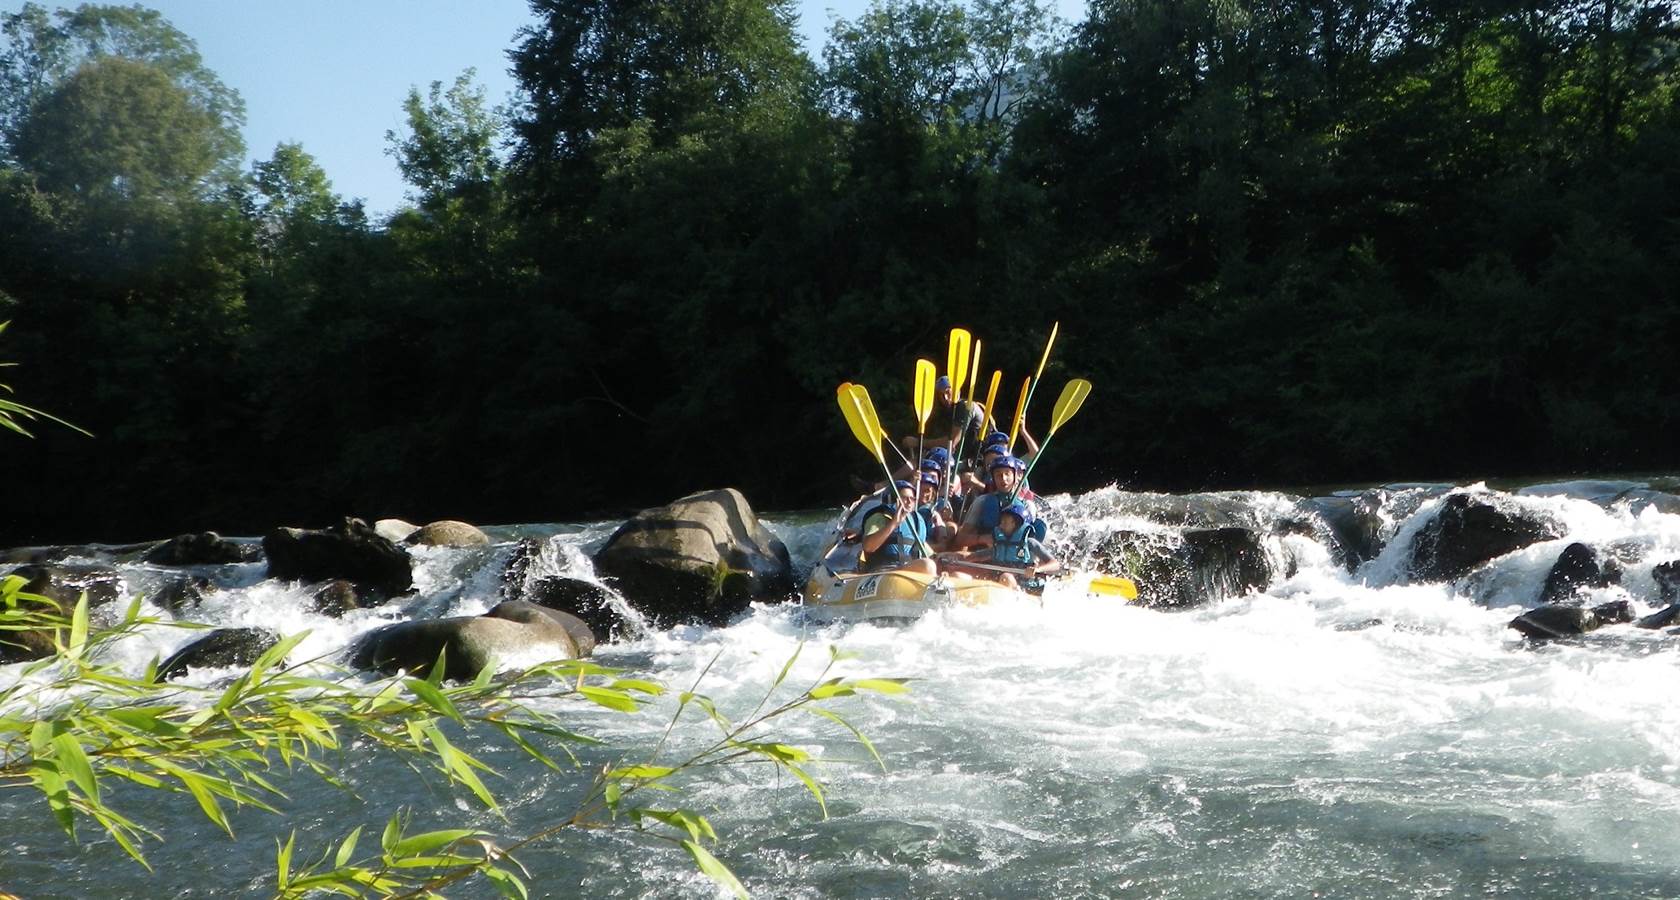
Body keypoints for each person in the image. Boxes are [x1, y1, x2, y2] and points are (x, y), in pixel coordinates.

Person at [942, 501, 1060, 592]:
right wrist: (956, 562)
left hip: (1020, 586)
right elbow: (976, 556)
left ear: (1016, 524)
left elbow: (1055, 564)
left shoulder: (1030, 543)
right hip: (997, 582)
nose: (1000, 525)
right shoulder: (999, 543)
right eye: (1001, 521)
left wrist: (1037, 569)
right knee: (957, 576)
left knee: (1006, 577)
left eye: (1005, 522)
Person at [858, 480, 937, 575]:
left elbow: (928, 553)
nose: (909, 502)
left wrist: (948, 558)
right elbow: (868, 547)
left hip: (908, 571)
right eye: (904, 498)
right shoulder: (879, 517)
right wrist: (894, 523)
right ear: (892, 499)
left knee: (942, 566)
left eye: (912, 499)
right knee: (927, 565)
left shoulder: (916, 521)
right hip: (883, 571)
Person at [955, 455, 1034, 549]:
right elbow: (960, 539)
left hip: (1015, 556)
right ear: (993, 478)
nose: (1003, 478)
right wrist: (982, 539)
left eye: (1007, 474)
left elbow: (1032, 543)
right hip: (985, 553)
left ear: (1015, 476)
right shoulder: (982, 501)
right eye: (998, 474)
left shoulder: (1027, 505)